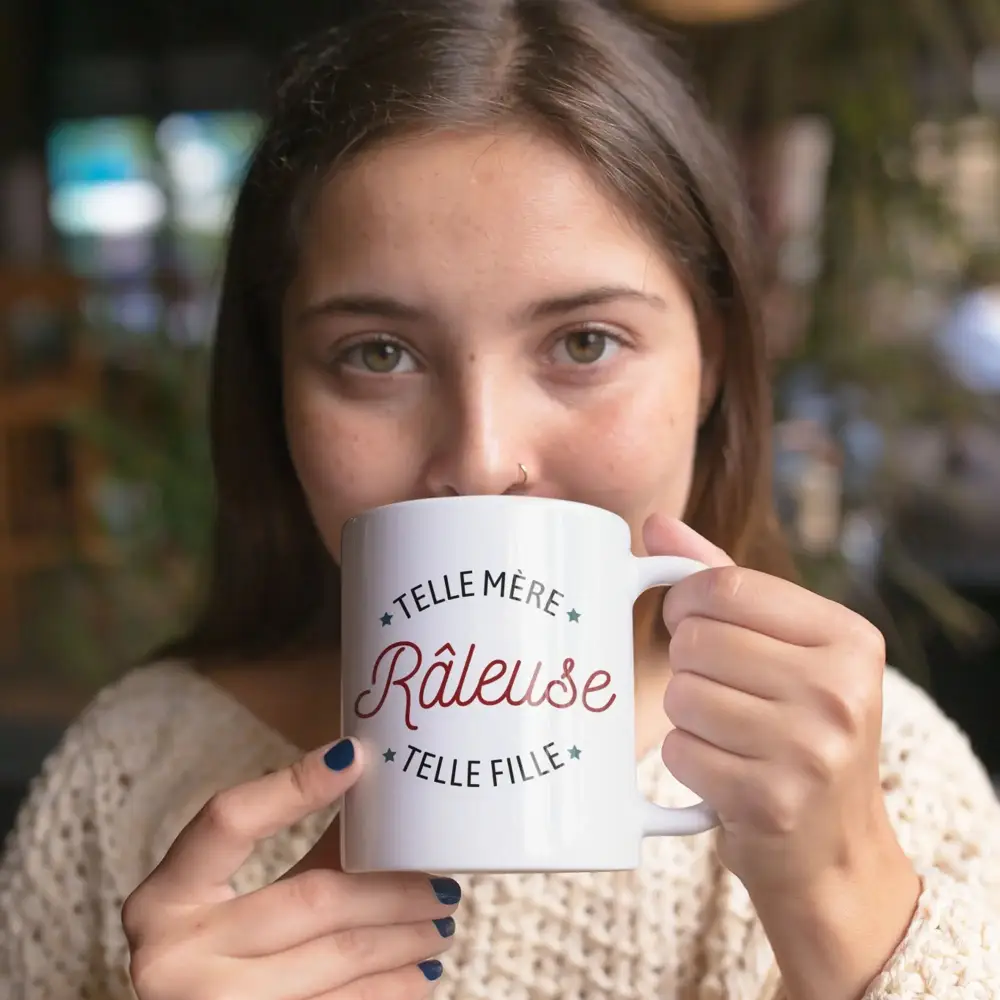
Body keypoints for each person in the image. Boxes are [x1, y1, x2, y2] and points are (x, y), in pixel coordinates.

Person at [2, 2, 999, 998]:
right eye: (377, 354)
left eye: (583, 343)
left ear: (711, 368)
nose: (481, 460)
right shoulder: (128, 776)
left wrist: (846, 904)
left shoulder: (889, 776)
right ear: (276, 391)